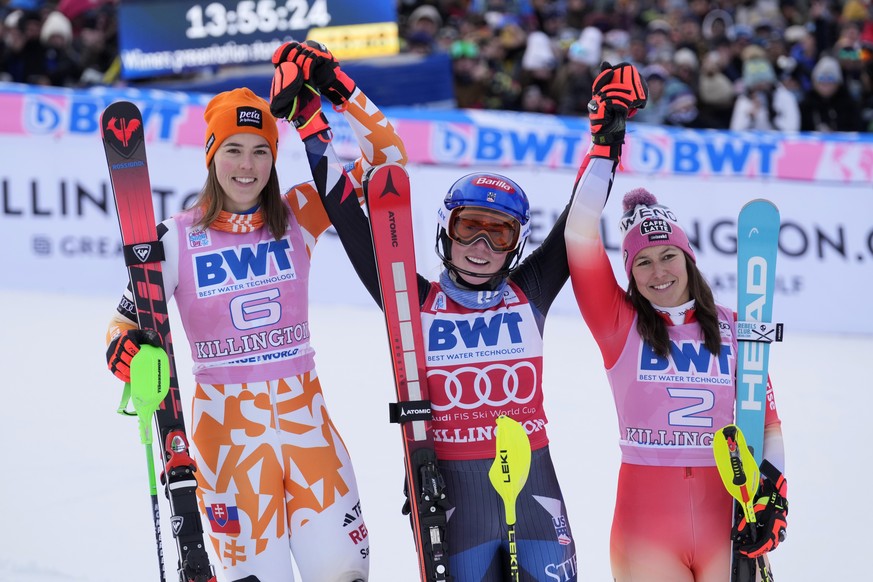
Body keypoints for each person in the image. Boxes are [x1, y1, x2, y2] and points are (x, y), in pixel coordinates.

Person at [268, 40, 581, 581]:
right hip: (454, 509)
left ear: (517, 243)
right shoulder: (412, 301)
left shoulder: (530, 291)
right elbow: (350, 220)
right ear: (446, 231)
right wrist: (309, 121)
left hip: (536, 505)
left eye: (498, 231)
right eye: (468, 227)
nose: (480, 244)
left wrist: (606, 140)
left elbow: (580, 220)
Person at [103, 84, 402, 581]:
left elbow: (389, 160)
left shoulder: (299, 213)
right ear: (211, 155)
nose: (248, 165)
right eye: (234, 149)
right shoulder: (174, 236)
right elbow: (123, 325)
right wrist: (126, 351)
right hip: (228, 445)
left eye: (261, 150)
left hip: (310, 435)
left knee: (343, 570)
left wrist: (342, 92)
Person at [564, 64, 788, 581]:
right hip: (647, 529)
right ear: (629, 272)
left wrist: (775, 498)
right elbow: (580, 232)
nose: (658, 271)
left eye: (669, 256)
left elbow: (769, 423)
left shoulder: (737, 327)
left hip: (727, 518)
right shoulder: (618, 323)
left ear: (688, 260)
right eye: (642, 261)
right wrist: (604, 146)